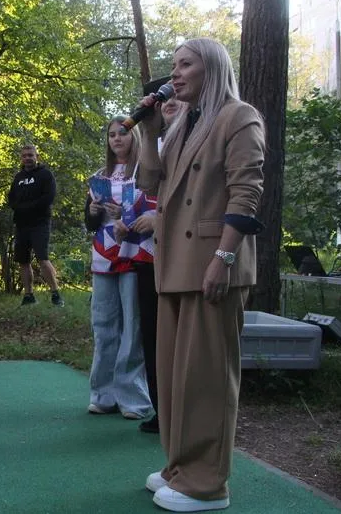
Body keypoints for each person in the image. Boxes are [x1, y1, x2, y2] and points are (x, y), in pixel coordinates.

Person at [137, 38, 265, 512]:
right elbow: (150, 182)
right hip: (174, 267)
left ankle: (208, 484)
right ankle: (180, 467)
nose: (176, 74)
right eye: (174, 66)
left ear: (211, 67)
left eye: (185, 64)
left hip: (213, 264)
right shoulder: (185, 125)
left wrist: (225, 260)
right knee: (175, 378)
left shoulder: (239, 115)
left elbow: (246, 192)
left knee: (207, 378)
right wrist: (150, 131)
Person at [84, 117, 154, 421]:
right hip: (103, 256)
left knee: (133, 326)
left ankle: (134, 399)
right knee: (103, 324)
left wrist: (125, 215)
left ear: (134, 136)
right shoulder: (99, 176)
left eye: (123, 133)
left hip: (135, 254)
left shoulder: (147, 173)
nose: (117, 139)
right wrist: (92, 211)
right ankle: (102, 394)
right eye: (112, 135)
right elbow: (89, 224)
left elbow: (154, 210)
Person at [137, 96, 186, 436]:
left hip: (189, 257)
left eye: (174, 97)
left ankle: (187, 422)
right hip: (149, 259)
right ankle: (162, 413)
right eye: (160, 101)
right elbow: (147, 182)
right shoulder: (157, 142)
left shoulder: (208, 132)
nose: (166, 103)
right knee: (155, 340)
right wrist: (150, 131)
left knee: (187, 345)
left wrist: (160, 217)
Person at [7, 145, 64, 307]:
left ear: (37, 156)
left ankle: (55, 293)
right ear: (21, 158)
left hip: (40, 223)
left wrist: (27, 207)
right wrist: (18, 207)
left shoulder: (46, 175)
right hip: (22, 224)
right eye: (24, 156)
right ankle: (28, 295)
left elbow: (48, 198)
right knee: (22, 260)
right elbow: (11, 198)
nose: (27, 158)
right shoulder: (18, 177)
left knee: (42, 257)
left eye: (30, 155)